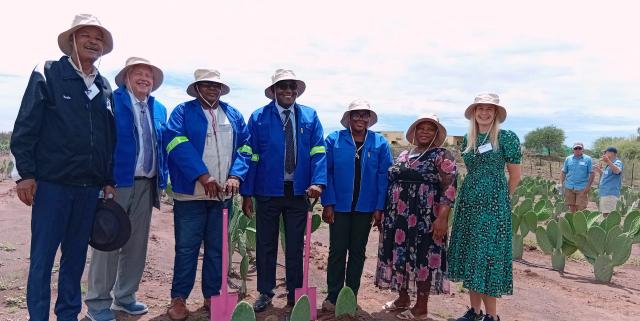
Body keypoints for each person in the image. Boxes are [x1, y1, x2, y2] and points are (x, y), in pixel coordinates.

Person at [10, 14, 116, 321]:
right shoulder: (49, 72)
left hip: (88, 189)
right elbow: (26, 124)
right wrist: (25, 174)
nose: (94, 41)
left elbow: (109, 136)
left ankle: (68, 314)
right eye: (86, 34)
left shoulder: (103, 85)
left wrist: (107, 179)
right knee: (43, 258)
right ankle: (38, 316)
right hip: (52, 186)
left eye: (99, 38)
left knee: (75, 258)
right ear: (72, 39)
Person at [163, 69, 252, 321]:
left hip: (222, 198)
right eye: (207, 85)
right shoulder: (183, 112)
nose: (213, 89)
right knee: (187, 249)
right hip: (190, 196)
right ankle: (179, 299)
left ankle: (212, 296)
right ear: (197, 88)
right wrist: (202, 175)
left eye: (216, 85)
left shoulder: (232, 114)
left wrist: (236, 175)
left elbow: (246, 146)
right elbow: (176, 143)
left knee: (216, 250)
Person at [84, 57, 168, 321]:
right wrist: (101, 179)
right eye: (139, 74)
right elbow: (97, 140)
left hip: (147, 184)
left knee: (136, 244)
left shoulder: (159, 108)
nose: (145, 79)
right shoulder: (111, 100)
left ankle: (125, 297)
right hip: (116, 183)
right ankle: (98, 304)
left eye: (149, 75)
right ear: (127, 78)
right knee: (107, 242)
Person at [240, 69, 327, 312]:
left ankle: (294, 294)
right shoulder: (259, 117)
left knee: (295, 246)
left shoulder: (310, 116)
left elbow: (318, 150)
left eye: (292, 86)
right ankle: (265, 293)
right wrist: (247, 193)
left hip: (298, 192)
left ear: (297, 90)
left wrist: (318, 182)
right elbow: (251, 155)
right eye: (283, 87)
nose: (288, 90)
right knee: (265, 243)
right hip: (267, 192)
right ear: (274, 91)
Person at [375, 114, 457, 320]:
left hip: (425, 216)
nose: (425, 132)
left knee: (423, 257)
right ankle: (403, 299)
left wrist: (442, 218)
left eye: (431, 129)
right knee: (400, 255)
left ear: (437, 134)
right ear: (414, 131)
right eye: (421, 128)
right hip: (398, 216)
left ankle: (421, 307)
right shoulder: (405, 153)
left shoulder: (441, 154)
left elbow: (449, 187)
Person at [448, 93, 521, 321]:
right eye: (480, 108)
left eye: (490, 109)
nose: (485, 112)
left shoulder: (506, 137)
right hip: (469, 203)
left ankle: (492, 316)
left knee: (489, 257)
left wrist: (501, 200)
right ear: (474, 112)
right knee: (473, 255)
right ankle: (474, 312)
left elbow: (515, 175)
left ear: (496, 113)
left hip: (493, 206)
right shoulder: (468, 139)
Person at [321, 99, 393, 311]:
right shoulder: (334, 139)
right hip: (339, 206)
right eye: (356, 114)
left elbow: (383, 177)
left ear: (369, 119)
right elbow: (327, 172)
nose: (360, 118)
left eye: (364, 115)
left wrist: (379, 207)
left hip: (365, 207)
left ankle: (350, 295)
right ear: (349, 118)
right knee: (337, 251)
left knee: (358, 252)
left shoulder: (379, 143)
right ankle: (333, 296)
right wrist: (328, 203)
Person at [561, 142, 594, 213]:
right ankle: (573, 221)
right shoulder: (568, 159)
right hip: (569, 186)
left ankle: (579, 223)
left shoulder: (588, 159)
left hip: (582, 187)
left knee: (581, 207)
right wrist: (562, 183)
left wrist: (588, 187)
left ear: (582, 149)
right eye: (576, 148)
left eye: (579, 148)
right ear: (573, 149)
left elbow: (592, 173)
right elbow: (564, 172)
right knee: (571, 205)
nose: (577, 149)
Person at [594, 147, 623, 216]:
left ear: (612, 153)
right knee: (605, 214)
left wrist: (608, 161)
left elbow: (617, 171)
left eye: (605, 152)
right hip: (605, 193)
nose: (604, 154)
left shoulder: (617, 162)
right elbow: (606, 175)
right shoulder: (609, 165)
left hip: (610, 193)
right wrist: (599, 170)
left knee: (609, 215)